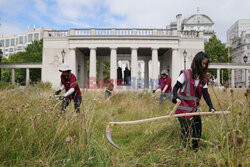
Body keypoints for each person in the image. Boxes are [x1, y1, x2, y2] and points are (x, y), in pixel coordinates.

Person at [172, 51, 215, 150]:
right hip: (182, 109)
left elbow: (205, 94)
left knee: (197, 130)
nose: (204, 66)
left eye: (205, 64)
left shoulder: (203, 79)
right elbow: (175, 87)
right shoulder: (185, 74)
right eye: (203, 63)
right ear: (197, 62)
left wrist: (211, 106)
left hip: (194, 109)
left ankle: (195, 150)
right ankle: (184, 151)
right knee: (186, 131)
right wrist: (174, 97)